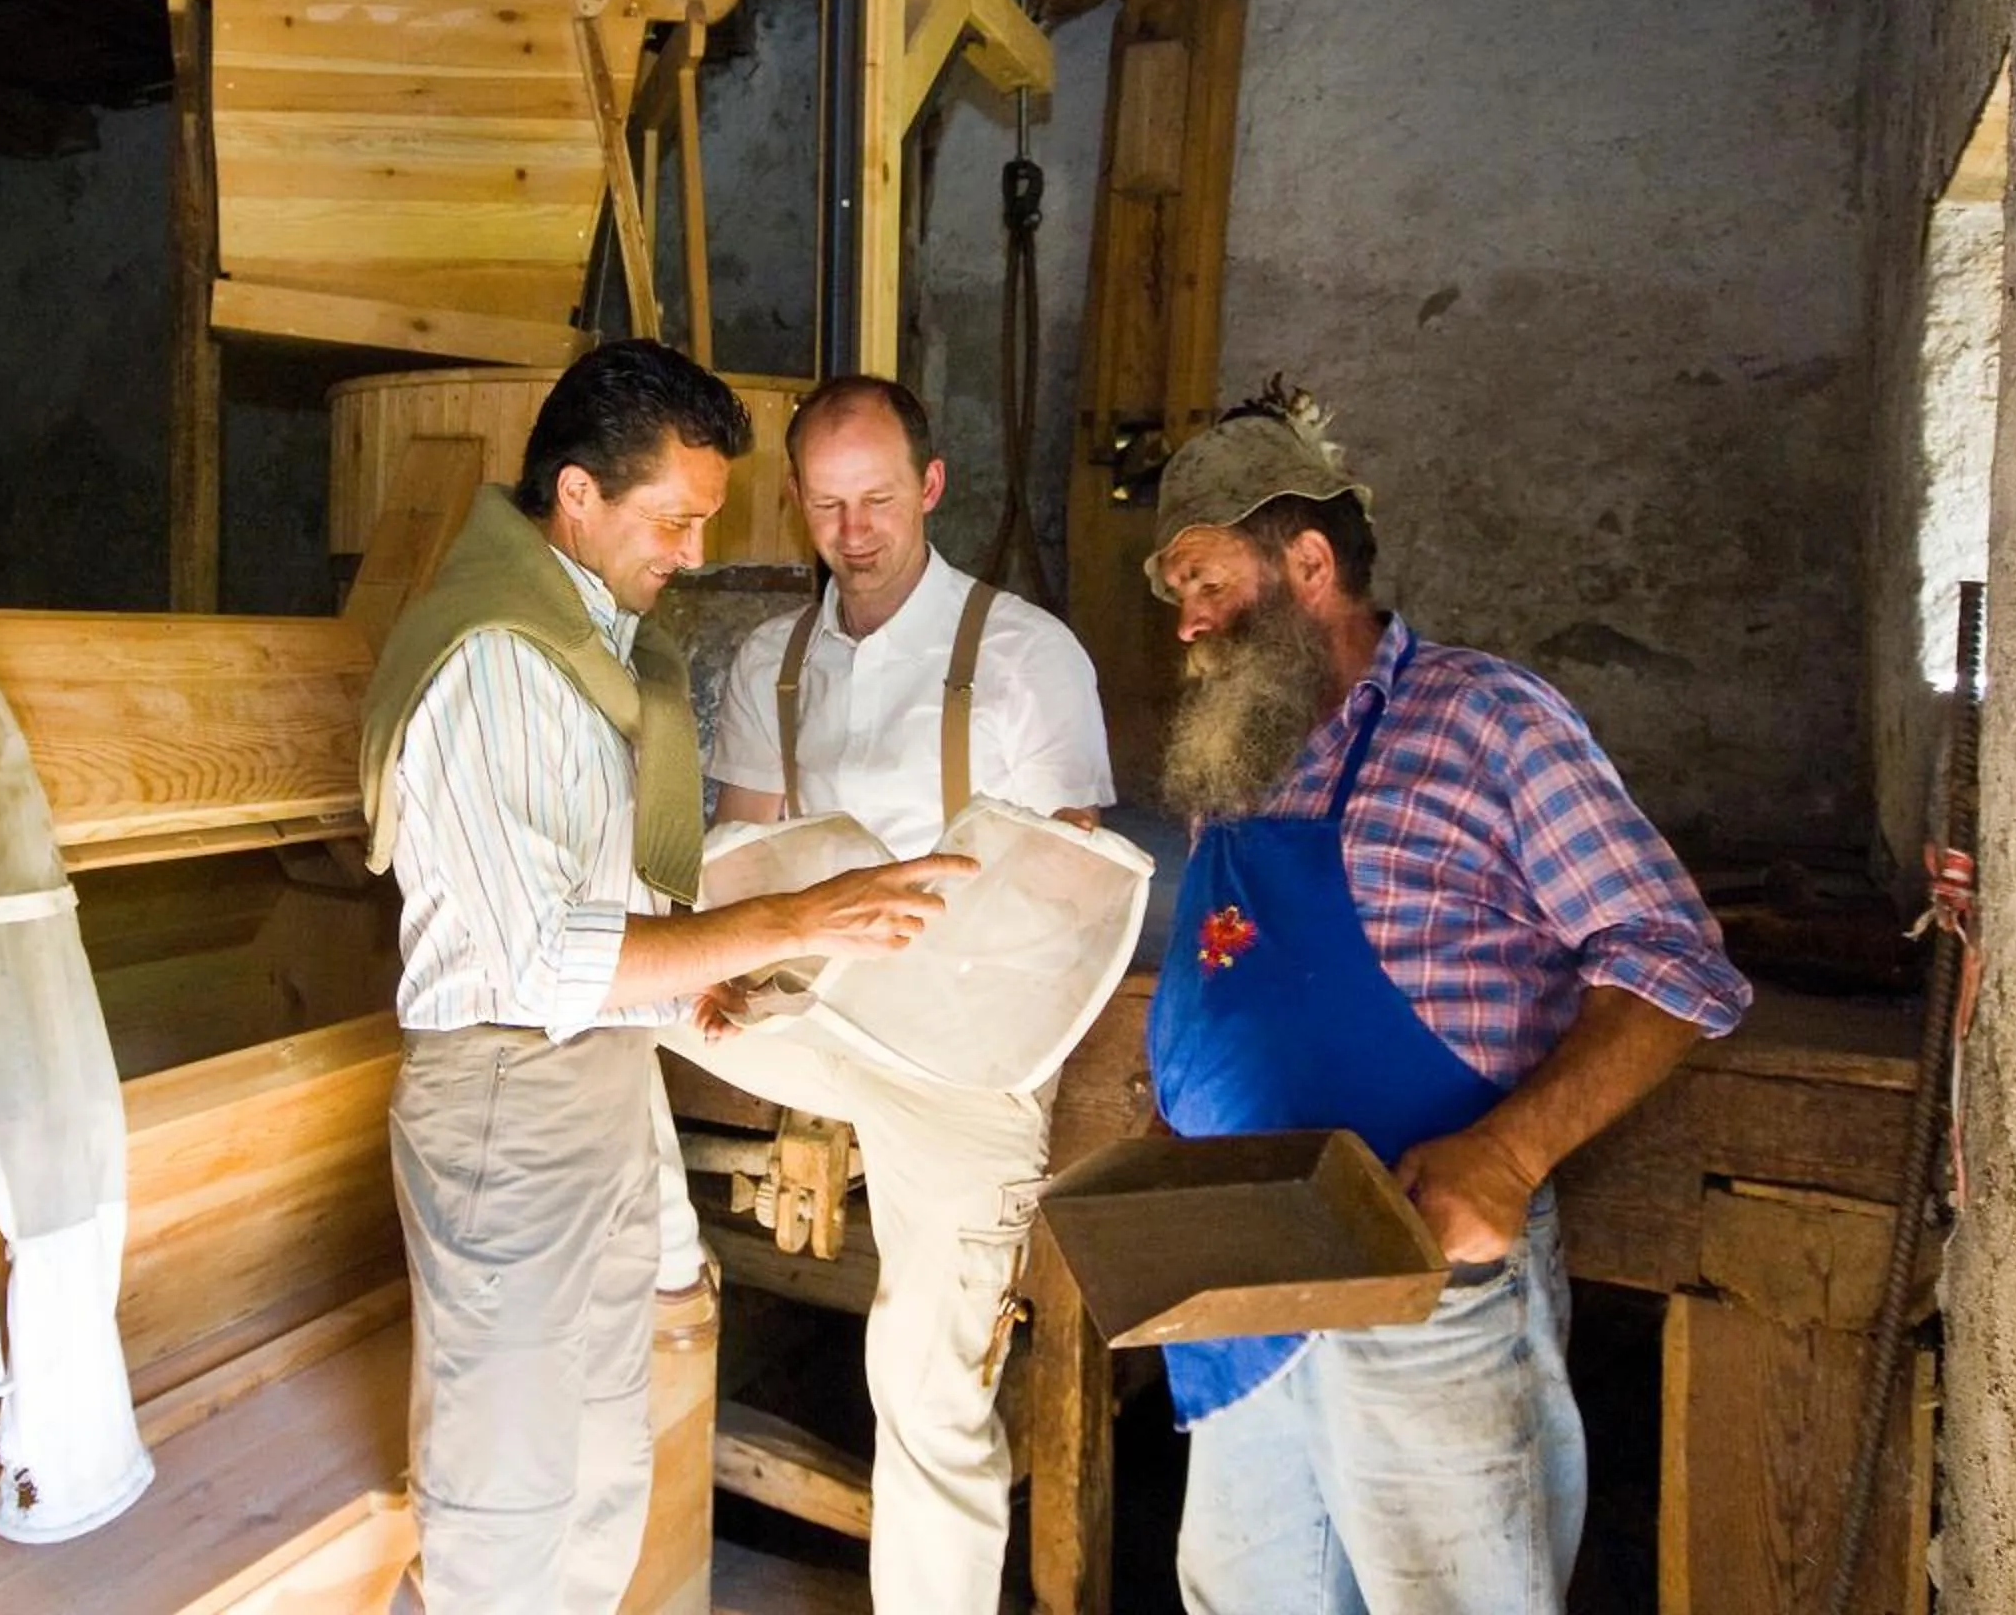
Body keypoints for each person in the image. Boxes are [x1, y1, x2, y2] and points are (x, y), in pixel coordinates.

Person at [357, 342, 973, 1615]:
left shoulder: (585, 650)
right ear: (576, 495)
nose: (696, 553)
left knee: (596, 1463)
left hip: (588, 1079)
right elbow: (535, 958)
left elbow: (593, 919)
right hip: (504, 1100)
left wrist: (684, 979)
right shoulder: (497, 662)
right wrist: (793, 915)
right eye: (677, 520)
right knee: (506, 1493)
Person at [1140, 384, 1754, 1615]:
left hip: (1422, 1265)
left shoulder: (1486, 720)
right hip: (1244, 1280)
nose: (1190, 629)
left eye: (1208, 586)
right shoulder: (1239, 757)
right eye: (1178, 601)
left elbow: (1671, 958)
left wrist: (1512, 1151)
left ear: (1308, 560)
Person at [664, 375, 1113, 1614]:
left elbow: (1070, 887)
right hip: (819, 1007)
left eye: (875, 497)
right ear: (796, 504)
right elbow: (744, 849)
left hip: (969, 1042)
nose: (852, 530)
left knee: (929, 1386)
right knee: (596, 991)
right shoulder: (775, 657)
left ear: (929, 485)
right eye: (824, 504)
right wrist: (730, 953)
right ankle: (654, 1266)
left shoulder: (1026, 656)